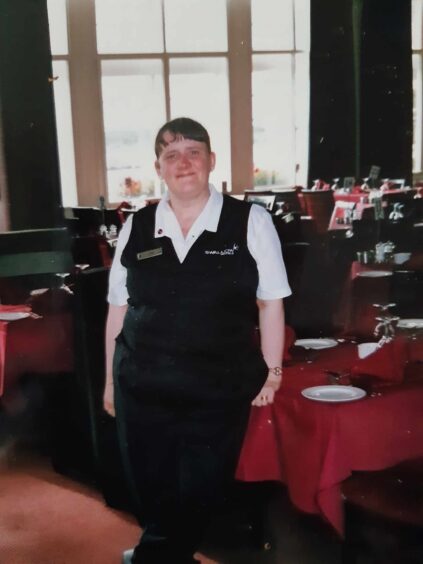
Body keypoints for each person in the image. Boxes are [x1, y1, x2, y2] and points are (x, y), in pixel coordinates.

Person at [103, 117, 291, 564]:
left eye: (193, 151)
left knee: (201, 488)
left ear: (211, 160)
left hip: (215, 387)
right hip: (141, 383)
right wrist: (110, 382)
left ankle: (156, 556)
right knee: (150, 486)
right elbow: (117, 308)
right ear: (158, 168)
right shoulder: (137, 225)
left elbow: (271, 304)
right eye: (171, 155)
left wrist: (272, 372)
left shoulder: (250, 221)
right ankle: (163, 553)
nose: (183, 162)